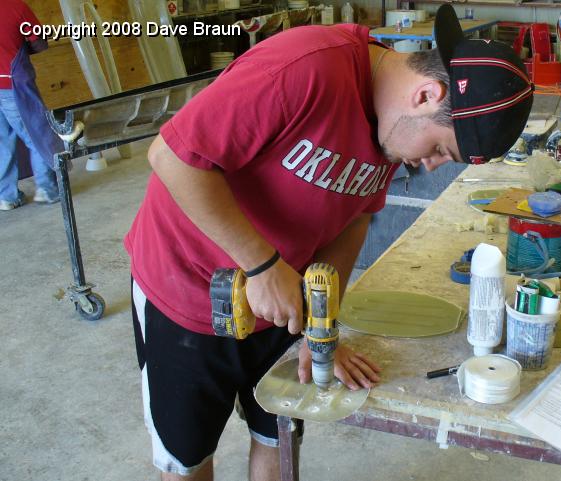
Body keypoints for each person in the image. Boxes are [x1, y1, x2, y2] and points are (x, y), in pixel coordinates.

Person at [124, 5, 532, 481]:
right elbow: (171, 157)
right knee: (187, 461)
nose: (431, 166)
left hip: (284, 295)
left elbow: (355, 215)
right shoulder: (305, 67)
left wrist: (319, 325)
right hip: (189, 292)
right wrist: (260, 265)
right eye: (441, 148)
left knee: (278, 439)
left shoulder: (391, 129)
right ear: (426, 94)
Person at [0, 0, 61, 211]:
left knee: (1, 143)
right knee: (36, 134)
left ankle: (7, 196)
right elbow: (39, 42)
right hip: (12, 84)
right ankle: (47, 189)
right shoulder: (16, 6)